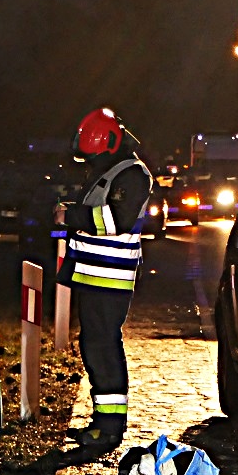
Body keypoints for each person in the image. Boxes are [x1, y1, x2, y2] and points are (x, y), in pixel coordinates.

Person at [54, 107, 154, 452]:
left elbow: (117, 220)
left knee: (103, 349)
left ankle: (109, 427)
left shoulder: (133, 174)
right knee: (95, 347)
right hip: (95, 276)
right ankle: (102, 421)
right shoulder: (112, 169)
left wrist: (71, 215)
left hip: (109, 279)